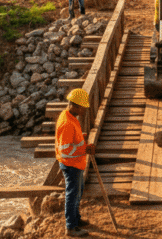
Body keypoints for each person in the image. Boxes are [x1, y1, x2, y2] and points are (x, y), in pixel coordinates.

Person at [55, 88, 96, 237]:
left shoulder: (69, 116)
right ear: (75, 106)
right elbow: (66, 150)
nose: (85, 110)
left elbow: (71, 140)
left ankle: (76, 219)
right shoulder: (67, 123)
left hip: (76, 163)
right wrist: (85, 149)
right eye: (83, 107)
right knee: (72, 195)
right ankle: (71, 227)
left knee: (77, 193)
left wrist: (81, 137)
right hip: (71, 164)